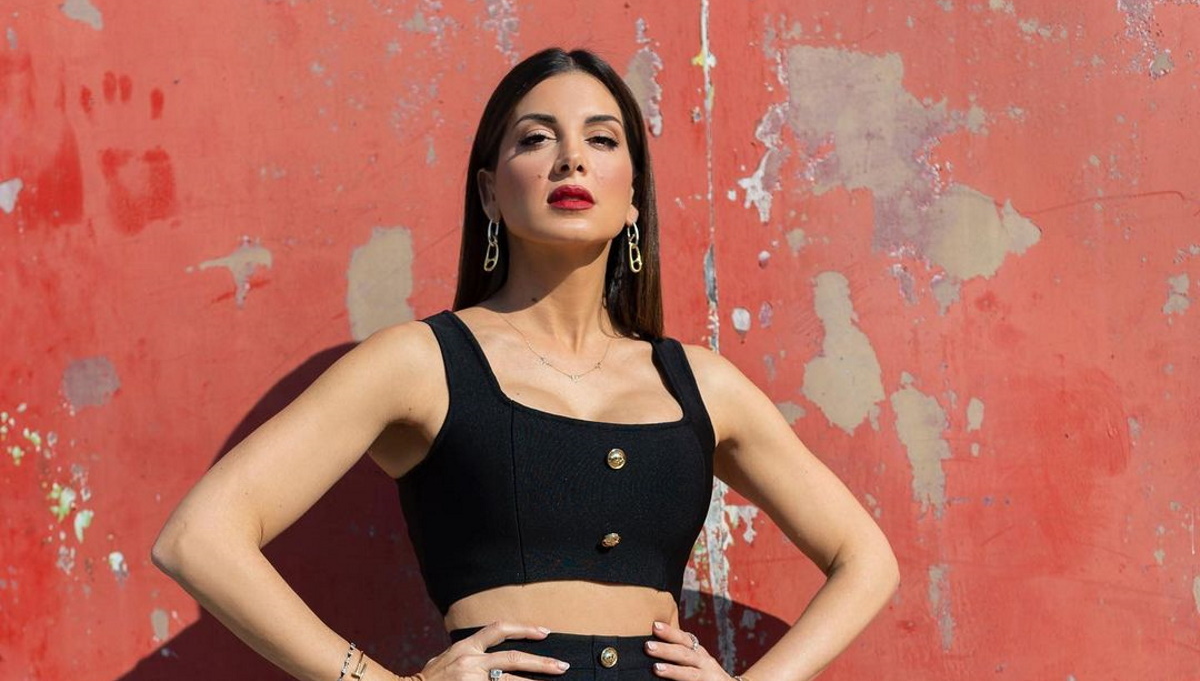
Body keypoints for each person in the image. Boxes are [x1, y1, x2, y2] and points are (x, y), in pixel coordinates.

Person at [152, 47, 900, 681]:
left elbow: (865, 559)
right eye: (537, 138)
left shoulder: (701, 384)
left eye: (602, 139)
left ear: (633, 198)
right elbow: (199, 539)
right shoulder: (422, 363)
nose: (571, 158)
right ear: (489, 191)